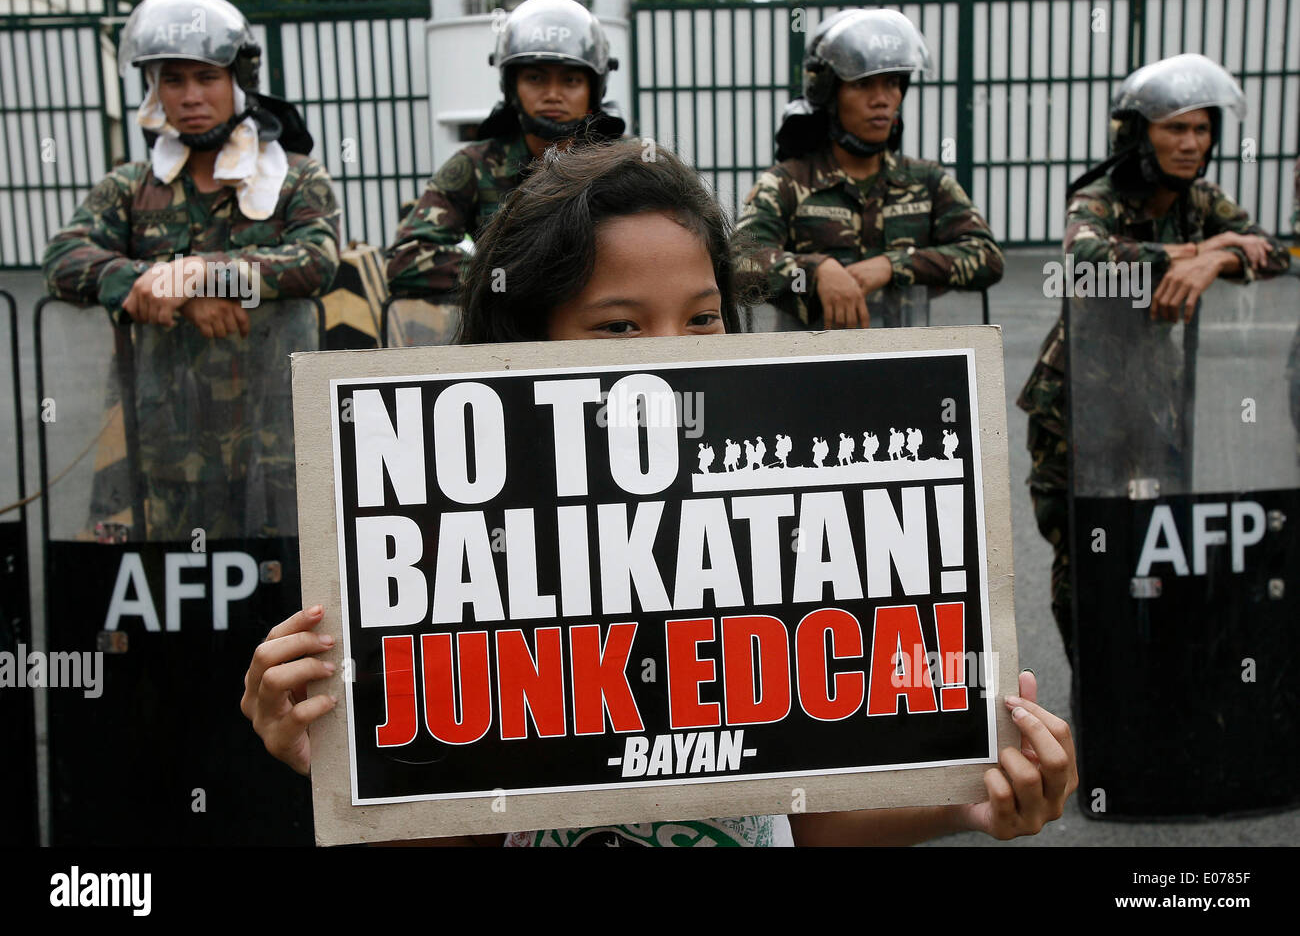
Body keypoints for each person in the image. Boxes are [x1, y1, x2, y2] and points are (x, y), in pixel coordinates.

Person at [242, 141, 1077, 846]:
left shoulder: (799, 534)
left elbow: (809, 814)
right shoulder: (444, 557)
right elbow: (456, 824)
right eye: (619, 326)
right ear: (524, 340)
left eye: (703, 317)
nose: (672, 357)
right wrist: (343, 765)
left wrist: (965, 797)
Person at [1015, 54, 1291, 665]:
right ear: (1139, 133)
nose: (1192, 143)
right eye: (1175, 128)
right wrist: (1195, 249)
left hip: (1156, 405)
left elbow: (1272, 252)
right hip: (1077, 405)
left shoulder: (1202, 198)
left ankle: (1149, 683)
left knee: (1160, 544)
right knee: (1085, 552)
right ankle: (1094, 682)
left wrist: (1221, 260)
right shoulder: (1101, 194)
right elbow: (1086, 260)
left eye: (1202, 128)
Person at [42, 0, 339, 540]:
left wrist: (201, 271)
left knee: (287, 584)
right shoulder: (130, 187)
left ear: (237, 81)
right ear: (155, 90)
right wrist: (144, 282)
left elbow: (316, 261)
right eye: (172, 80)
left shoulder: (295, 177)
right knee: (172, 590)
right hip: (165, 429)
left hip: (275, 428)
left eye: (206, 77)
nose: (190, 96)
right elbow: (64, 255)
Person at [732, 9, 1002, 329]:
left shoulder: (928, 181)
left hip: (911, 362)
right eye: (863, 84)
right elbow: (739, 262)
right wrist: (815, 270)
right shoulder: (784, 183)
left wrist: (895, 265)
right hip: (812, 364)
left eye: (891, 83)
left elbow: (987, 256)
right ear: (830, 95)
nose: (882, 100)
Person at [385, 0, 624, 301]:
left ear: (594, 88)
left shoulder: (625, 165)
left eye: (571, 80)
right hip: (508, 337)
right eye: (535, 78)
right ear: (512, 87)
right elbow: (405, 260)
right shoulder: (476, 165)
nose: (553, 94)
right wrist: (513, 275)